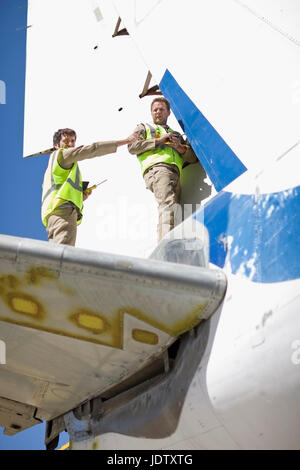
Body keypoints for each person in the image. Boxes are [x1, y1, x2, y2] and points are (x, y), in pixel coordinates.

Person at [42, 128, 137, 246]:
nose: (70, 144)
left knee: (55, 253)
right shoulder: (62, 155)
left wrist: (80, 198)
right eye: (66, 141)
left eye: (73, 141)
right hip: (63, 212)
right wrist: (125, 141)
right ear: (56, 145)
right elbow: (93, 149)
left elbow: (61, 190)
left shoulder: (54, 166)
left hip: (53, 215)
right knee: (63, 253)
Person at [128, 97, 198, 241]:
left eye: (161, 109)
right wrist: (159, 141)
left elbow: (192, 158)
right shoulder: (144, 127)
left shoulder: (176, 134)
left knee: (174, 211)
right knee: (168, 205)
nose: (158, 112)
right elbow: (132, 147)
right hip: (157, 170)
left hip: (174, 174)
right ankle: (165, 247)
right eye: (155, 110)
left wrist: (180, 147)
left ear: (168, 112)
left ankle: (170, 243)